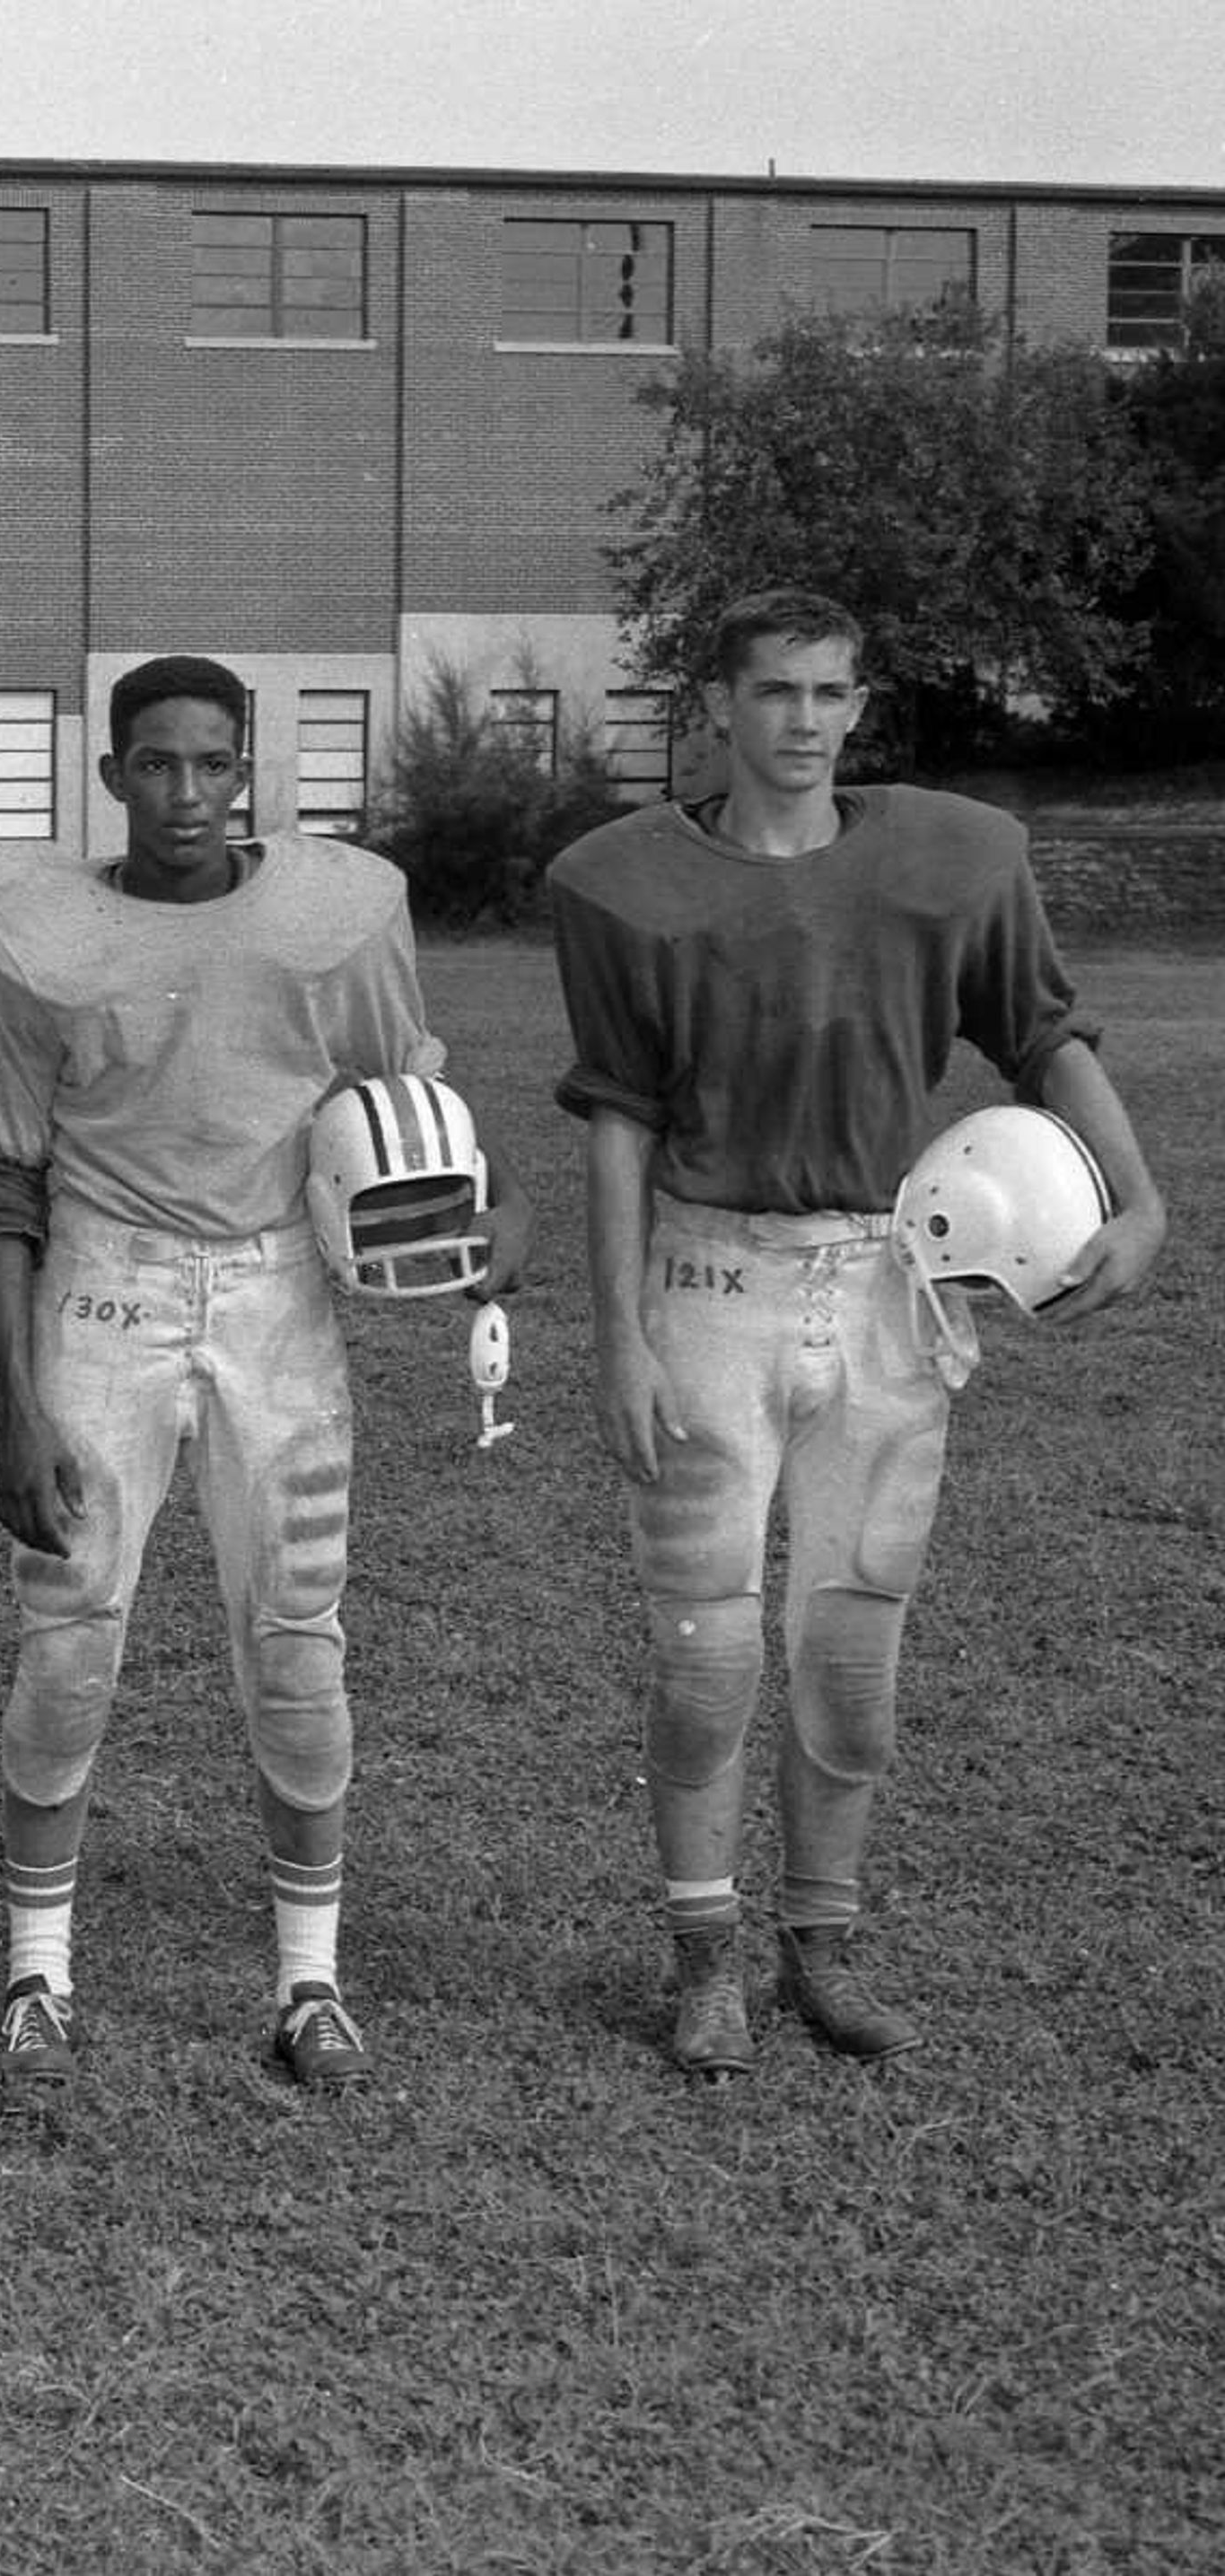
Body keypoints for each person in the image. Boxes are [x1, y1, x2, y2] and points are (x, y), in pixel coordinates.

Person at [547, 586, 1161, 2080]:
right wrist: (616, 1329)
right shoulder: (627, 884)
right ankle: (704, 1954)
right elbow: (619, 1116)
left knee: (851, 1648)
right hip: (708, 1282)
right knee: (703, 1653)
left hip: (882, 1285)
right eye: (775, 694)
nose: (804, 723)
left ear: (860, 702)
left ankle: (822, 1940)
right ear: (715, 705)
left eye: (830, 693)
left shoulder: (950, 860)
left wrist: (1136, 1201)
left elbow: (1043, 1037)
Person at [0, 654, 531, 2099]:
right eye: (159, 765)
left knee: (295, 1635)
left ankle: (309, 1979)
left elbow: (415, 1094)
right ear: (113, 776)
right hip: (102, 1285)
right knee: (72, 1634)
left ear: (249, 770)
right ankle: (37, 1968)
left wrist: (497, 1200)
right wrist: (16, 1400)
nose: (189, 794)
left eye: (216, 764)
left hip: (277, 1294)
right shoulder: (36, 939)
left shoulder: (338, 914)